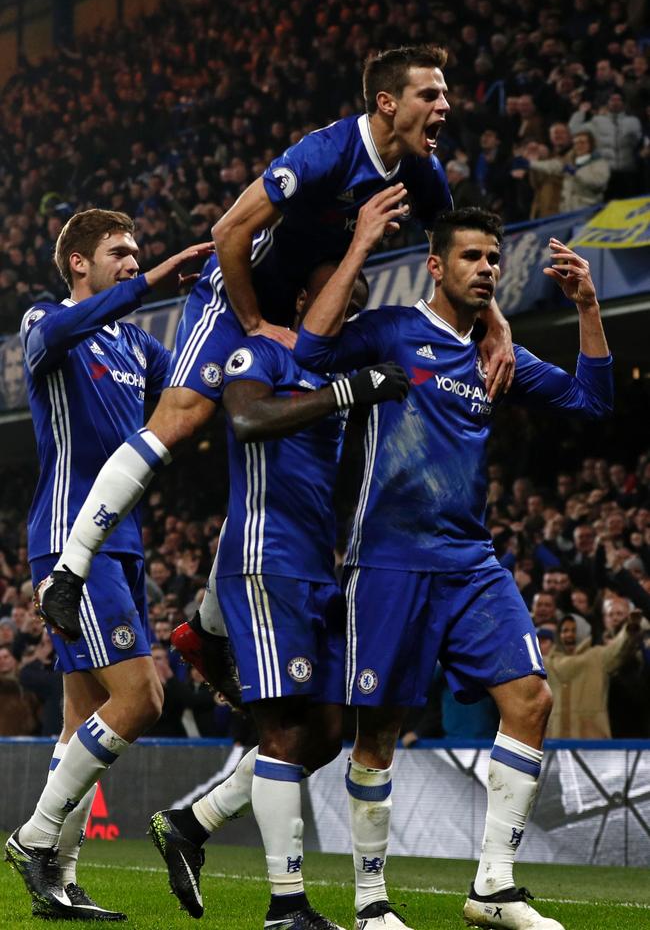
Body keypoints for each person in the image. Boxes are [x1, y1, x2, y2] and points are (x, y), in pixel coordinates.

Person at [34, 45, 514, 683]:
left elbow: (458, 250)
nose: (446, 106)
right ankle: (69, 571)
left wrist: (496, 321)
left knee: (282, 461)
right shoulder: (324, 153)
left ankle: (205, 627)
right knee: (179, 422)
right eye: (431, 95)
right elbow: (231, 231)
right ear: (387, 103)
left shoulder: (421, 173)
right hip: (237, 294)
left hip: (304, 317)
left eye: (446, 94)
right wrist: (255, 320)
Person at [293, 199, 614, 930]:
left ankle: (493, 888)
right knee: (377, 731)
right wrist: (362, 248)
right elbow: (310, 353)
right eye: (471, 257)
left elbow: (593, 401)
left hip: (471, 561)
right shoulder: (391, 333)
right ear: (436, 266)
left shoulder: (495, 353)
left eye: (494, 260)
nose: (487, 270)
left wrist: (589, 307)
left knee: (530, 699)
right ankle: (371, 904)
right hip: (388, 561)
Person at [148, 263, 411, 930]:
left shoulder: (333, 368)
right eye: (342, 301)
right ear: (303, 295)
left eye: (359, 307)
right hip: (264, 562)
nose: (350, 316)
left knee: (326, 729)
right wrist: (348, 392)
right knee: (284, 729)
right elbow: (246, 418)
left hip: (316, 569)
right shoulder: (259, 349)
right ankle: (285, 907)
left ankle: (190, 821)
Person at [4, 208, 211, 920]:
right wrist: (153, 279)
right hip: (68, 543)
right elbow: (61, 331)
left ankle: (57, 879)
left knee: (84, 719)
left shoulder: (135, 345)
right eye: (119, 252)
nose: (133, 260)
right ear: (78, 264)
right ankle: (33, 839)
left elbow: (188, 381)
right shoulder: (44, 324)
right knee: (142, 699)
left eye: (138, 250)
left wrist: (209, 295)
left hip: (123, 545)